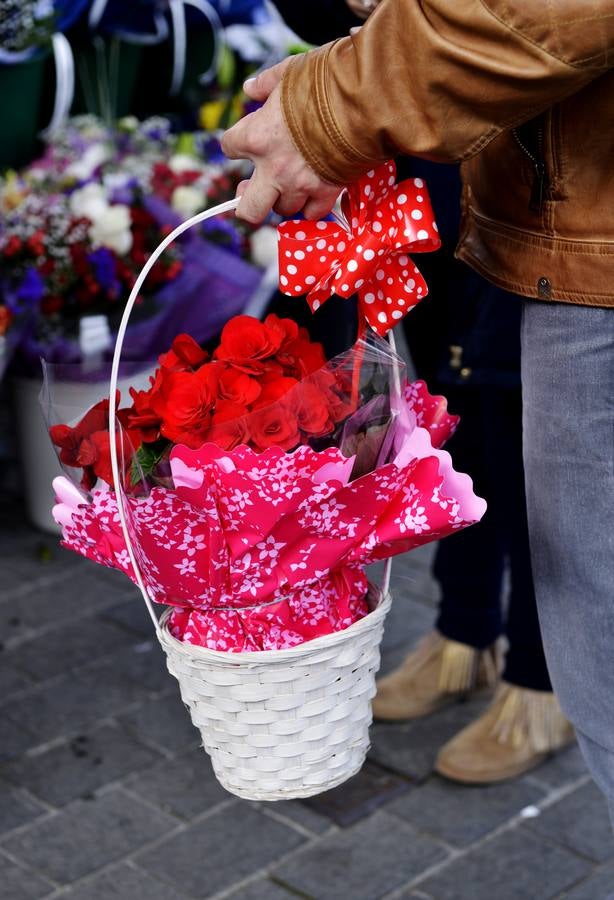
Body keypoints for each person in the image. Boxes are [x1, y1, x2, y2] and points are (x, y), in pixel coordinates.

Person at [220, 0, 614, 810]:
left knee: (507, 401)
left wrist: (340, 104)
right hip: (457, 114)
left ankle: (536, 673)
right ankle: (464, 631)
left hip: (545, 142)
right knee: (444, 395)